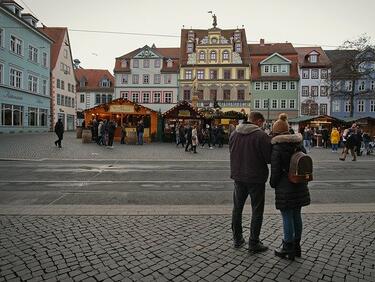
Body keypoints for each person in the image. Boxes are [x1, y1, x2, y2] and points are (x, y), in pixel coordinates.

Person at [270, 113, 310, 260]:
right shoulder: (298, 144)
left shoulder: (278, 148)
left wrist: (273, 184)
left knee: (287, 216)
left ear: (277, 132)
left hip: (285, 187)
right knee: (296, 215)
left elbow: (275, 171)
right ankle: (297, 246)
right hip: (299, 184)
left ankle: (287, 246)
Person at [229, 112, 272, 253]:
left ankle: (237, 238)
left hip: (238, 176)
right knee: (257, 210)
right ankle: (253, 242)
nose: (263, 125)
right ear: (258, 121)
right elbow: (269, 158)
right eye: (262, 123)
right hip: (256, 178)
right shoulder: (261, 136)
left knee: (237, 208)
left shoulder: (234, 134)